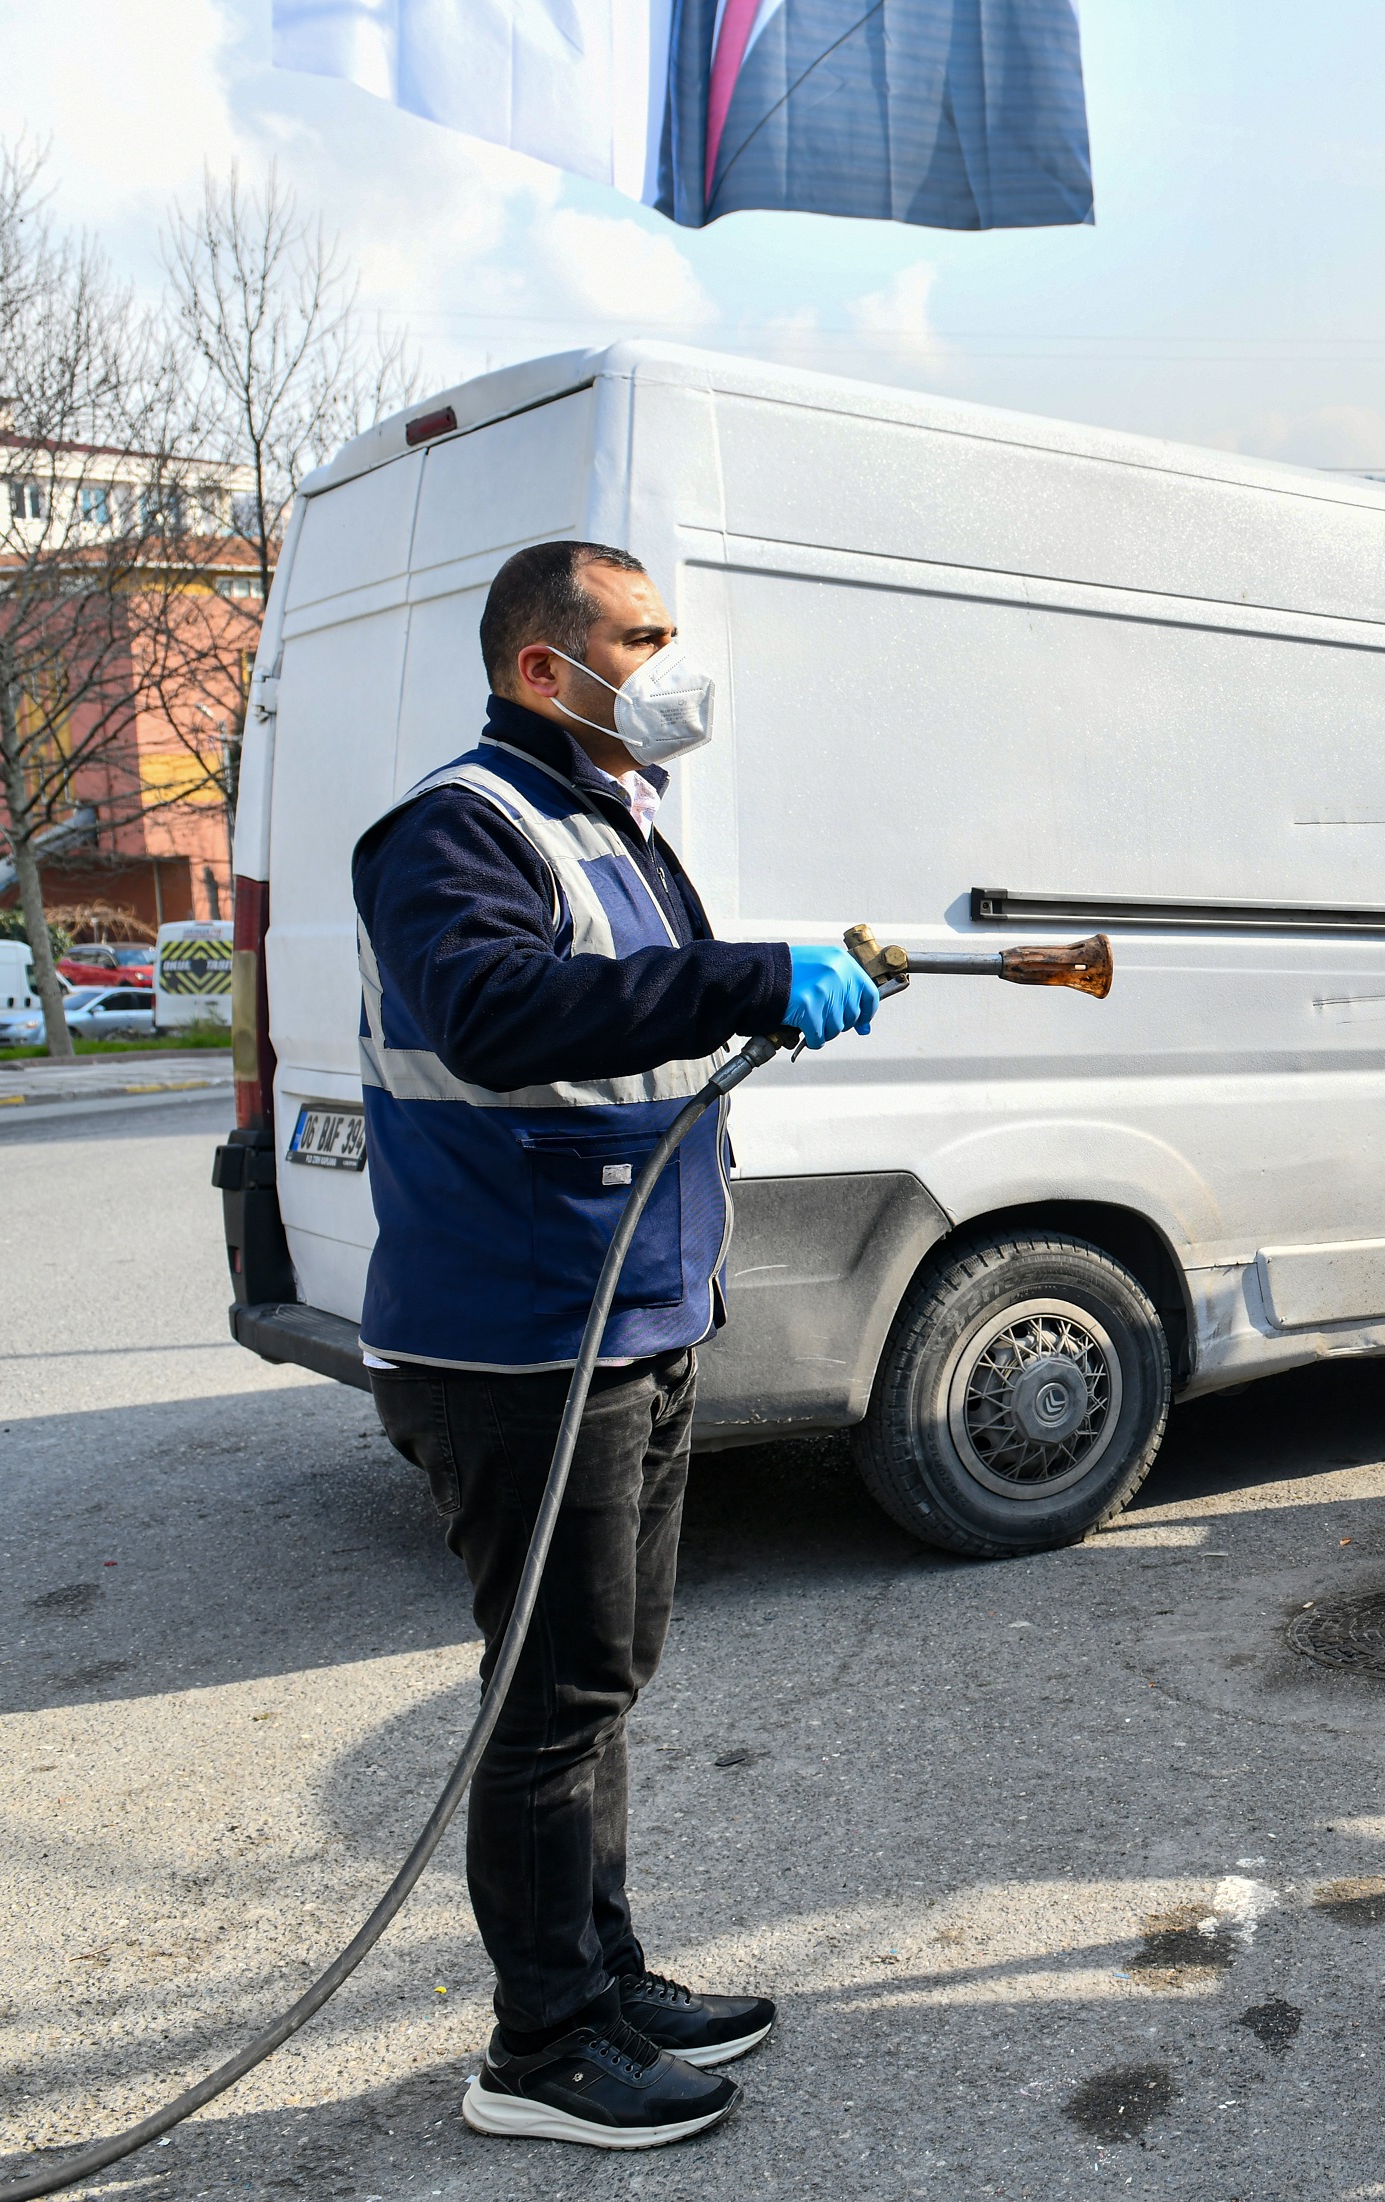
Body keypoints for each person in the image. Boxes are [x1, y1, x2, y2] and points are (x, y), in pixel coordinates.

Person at [350, 540, 882, 2151]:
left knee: (602, 1676)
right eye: (643, 640)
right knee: (550, 1698)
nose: (673, 664)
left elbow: (637, 1010)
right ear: (543, 667)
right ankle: (539, 2049)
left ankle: (603, 1969)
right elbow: (500, 1012)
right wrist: (743, 974)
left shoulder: (611, 819)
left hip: (629, 1323)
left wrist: (761, 984)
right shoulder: (456, 828)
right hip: (520, 1342)